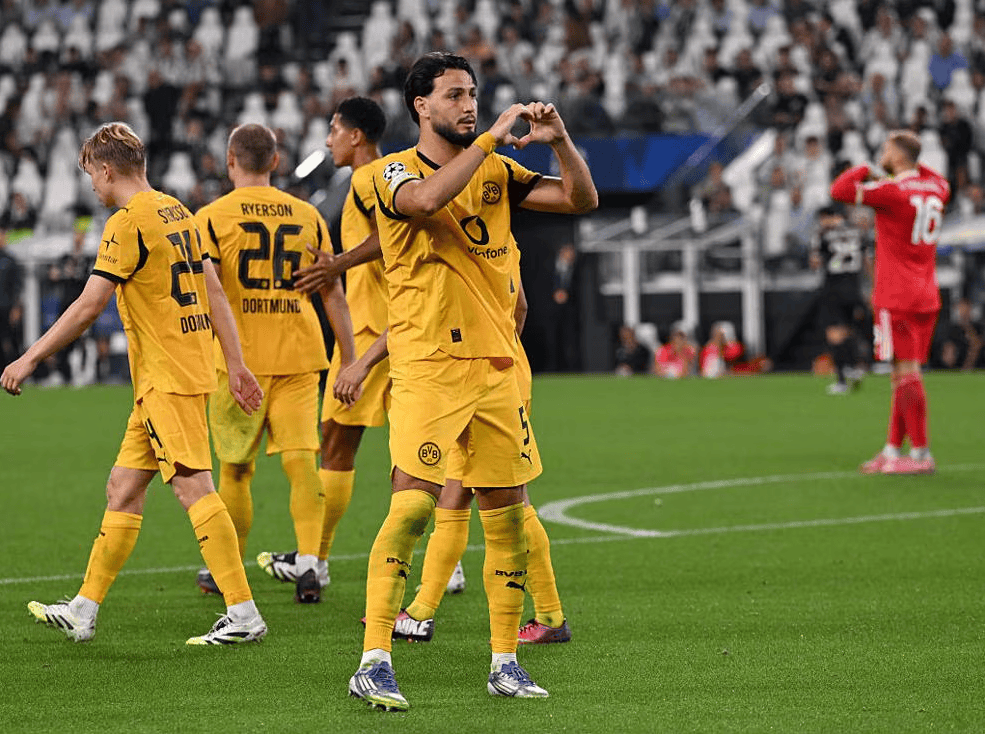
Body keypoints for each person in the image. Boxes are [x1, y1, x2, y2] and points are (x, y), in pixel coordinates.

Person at [346, 52, 596, 711]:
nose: (469, 104)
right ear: (421, 105)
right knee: (412, 508)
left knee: (506, 517)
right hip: (428, 367)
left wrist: (561, 141)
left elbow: (580, 198)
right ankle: (373, 660)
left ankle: (505, 662)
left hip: (497, 368)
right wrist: (490, 138)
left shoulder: (498, 172)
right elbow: (425, 200)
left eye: (473, 94)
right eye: (454, 94)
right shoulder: (388, 171)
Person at [1, 122, 268, 645]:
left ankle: (243, 613)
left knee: (193, 486)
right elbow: (214, 292)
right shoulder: (179, 211)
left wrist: (30, 357)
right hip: (174, 373)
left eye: (91, 176)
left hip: (168, 376)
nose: (91, 187)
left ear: (106, 171)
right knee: (122, 489)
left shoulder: (126, 224)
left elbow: (89, 306)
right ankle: (84, 608)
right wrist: (234, 363)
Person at [256, 98, 468, 599]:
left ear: (355, 136)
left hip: (378, 332)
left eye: (334, 130)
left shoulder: (370, 177)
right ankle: (440, 562)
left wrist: (338, 263)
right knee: (405, 449)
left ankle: (317, 559)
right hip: (396, 329)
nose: (328, 139)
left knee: (344, 445)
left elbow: (393, 233)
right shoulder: (381, 175)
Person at [191, 123, 357, 605]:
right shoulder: (307, 216)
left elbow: (206, 294)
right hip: (300, 354)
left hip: (238, 360)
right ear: (276, 162)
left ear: (230, 161)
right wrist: (349, 359)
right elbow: (332, 291)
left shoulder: (211, 218)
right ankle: (309, 564)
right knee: (302, 462)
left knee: (235, 470)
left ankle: (227, 569)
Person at [830, 130, 949, 475]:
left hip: (896, 295)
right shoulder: (937, 188)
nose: (881, 152)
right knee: (902, 373)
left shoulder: (892, 191)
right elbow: (930, 174)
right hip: (926, 293)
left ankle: (921, 454)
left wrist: (868, 168)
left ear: (897, 154)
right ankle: (893, 449)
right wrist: (905, 162)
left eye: (886, 148)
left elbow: (839, 190)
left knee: (906, 373)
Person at [809, 204, 872, 394]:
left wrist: (816, 248)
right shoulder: (858, 232)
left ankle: (843, 379)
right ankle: (857, 366)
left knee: (834, 335)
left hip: (833, 289)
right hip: (854, 288)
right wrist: (873, 287)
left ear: (828, 216)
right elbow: (868, 261)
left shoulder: (823, 234)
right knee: (850, 330)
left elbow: (815, 263)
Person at [0, 230, 23, 369]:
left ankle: (15, 371)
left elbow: (17, 287)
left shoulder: (10, 260)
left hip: (6, 309)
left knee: (10, 342)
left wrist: (16, 308)